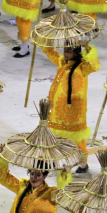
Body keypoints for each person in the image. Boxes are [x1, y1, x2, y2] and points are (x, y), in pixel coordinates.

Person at [42, 45, 99, 173]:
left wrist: (87, 46)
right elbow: (50, 52)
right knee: (54, 135)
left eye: (69, 51)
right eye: (65, 50)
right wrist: (44, 42)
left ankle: (83, 164)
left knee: (77, 137)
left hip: (75, 110)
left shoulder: (83, 67)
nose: (65, 53)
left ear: (76, 52)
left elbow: (95, 65)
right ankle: (52, 159)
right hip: (57, 108)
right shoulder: (62, 61)